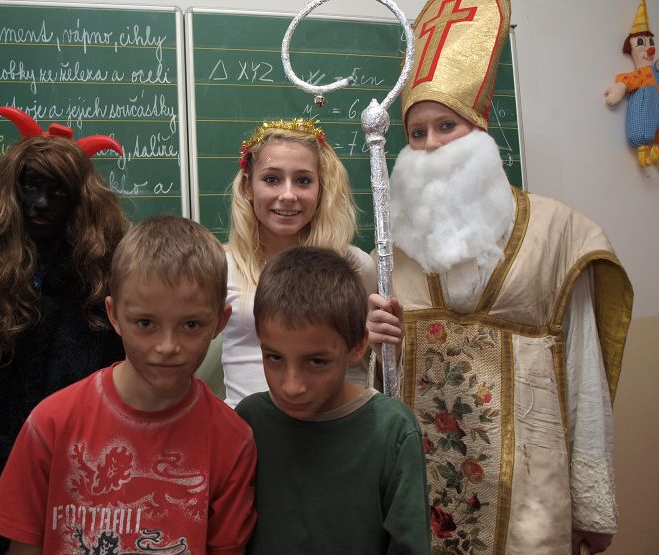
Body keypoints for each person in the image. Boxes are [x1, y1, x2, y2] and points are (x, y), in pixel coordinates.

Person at [366, 1, 633, 554]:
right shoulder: (394, 255)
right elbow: (379, 387)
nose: (432, 144)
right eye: (416, 132)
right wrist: (372, 344)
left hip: (530, 496)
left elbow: (583, 371)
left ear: (480, 130)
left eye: (447, 125)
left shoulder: (560, 233)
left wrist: (592, 503)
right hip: (422, 496)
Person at [0, 108, 129, 554]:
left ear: (80, 201)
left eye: (59, 191)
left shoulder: (103, 291)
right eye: (31, 186)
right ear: (10, 191)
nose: (42, 203)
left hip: (80, 505)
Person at [0, 215, 257, 555]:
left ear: (220, 322)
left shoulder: (232, 441)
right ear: (113, 315)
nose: (167, 346)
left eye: (191, 325)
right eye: (146, 323)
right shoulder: (52, 424)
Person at [236, 246, 430, 554]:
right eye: (274, 357)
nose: (292, 386)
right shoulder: (249, 421)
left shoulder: (393, 431)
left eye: (316, 362)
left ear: (357, 346)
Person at [222, 118, 376, 407]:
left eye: (303, 181)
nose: (288, 195)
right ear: (247, 186)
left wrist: (386, 345)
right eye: (272, 179)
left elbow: (367, 364)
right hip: (245, 427)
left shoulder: (354, 266)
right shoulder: (222, 267)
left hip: (333, 425)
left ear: (321, 188)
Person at [604, 0, 659, 166]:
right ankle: (645, 157)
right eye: (641, 42)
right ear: (631, 47)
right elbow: (628, 81)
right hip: (645, 116)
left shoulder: (655, 72)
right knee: (643, 132)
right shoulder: (640, 75)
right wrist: (619, 88)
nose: (650, 48)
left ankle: (652, 155)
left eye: (651, 42)